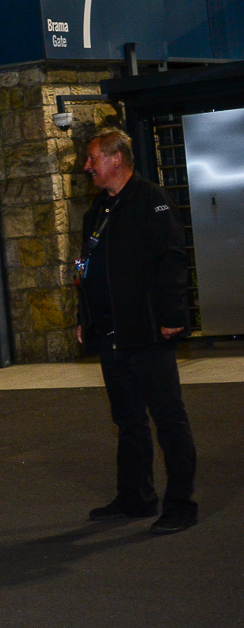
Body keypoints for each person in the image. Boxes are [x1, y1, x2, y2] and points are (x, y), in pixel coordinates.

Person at [75, 127, 197, 534]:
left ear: (116, 159)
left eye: (93, 158)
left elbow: (172, 259)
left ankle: (180, 505)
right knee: (128, 419)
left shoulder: (152, 201)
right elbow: (85, 269)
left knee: (168, 418)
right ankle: (135, 496)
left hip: (147, 332)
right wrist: (83, 317)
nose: (86, 166)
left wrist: (173, 314)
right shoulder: (98, 211)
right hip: (111, 334)